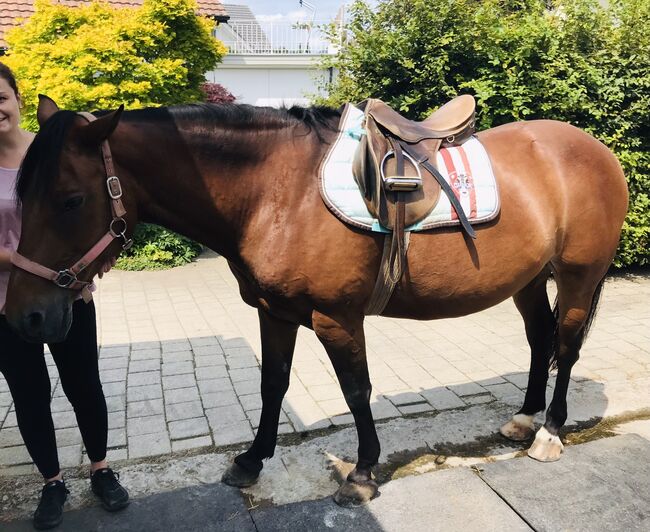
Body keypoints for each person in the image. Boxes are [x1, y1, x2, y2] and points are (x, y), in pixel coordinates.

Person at [0, 62, 128, 529]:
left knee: (84, 387)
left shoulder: (50, 150)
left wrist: (97, 256)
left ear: (16, 97)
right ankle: (52, 482)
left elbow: (83, 210)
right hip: (7, 305)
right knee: (29, 396)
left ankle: (101, 468)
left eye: (1, 97)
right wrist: (24, 263)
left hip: (67, 295)